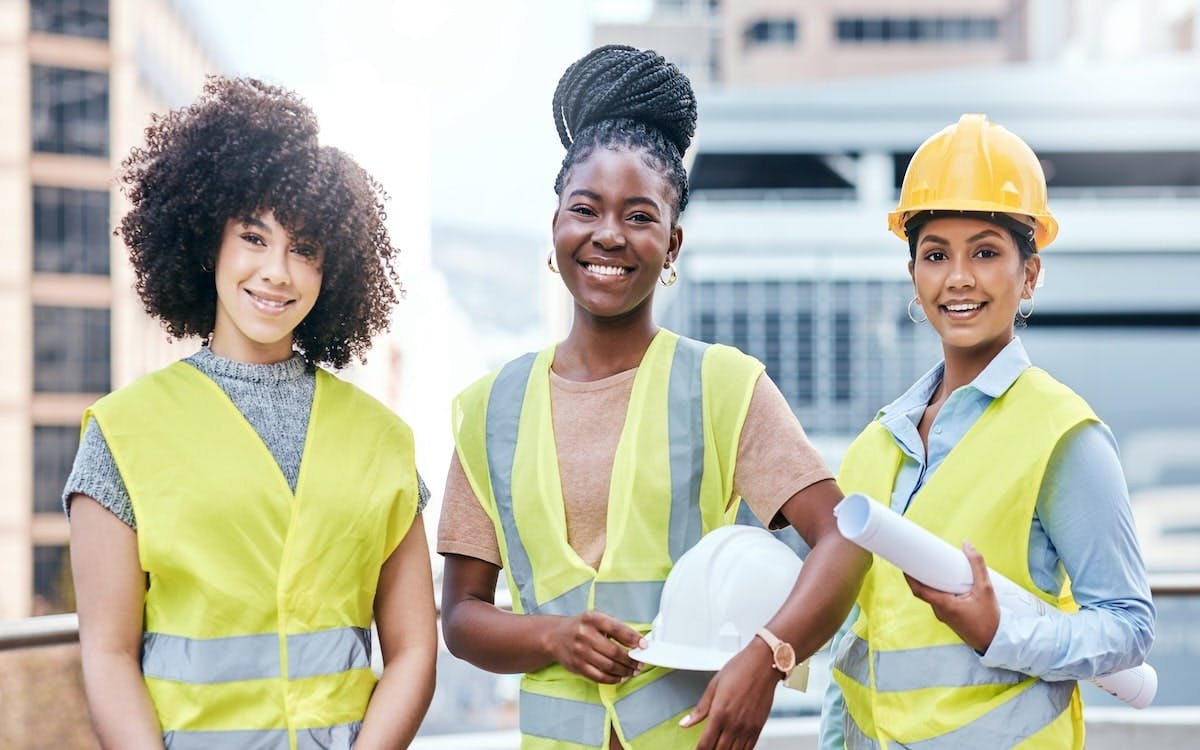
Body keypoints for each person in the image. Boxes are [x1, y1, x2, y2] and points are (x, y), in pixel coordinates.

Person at [436, 45, 870, 750]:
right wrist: (552, 636)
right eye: (587, 209)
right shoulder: (491, 407)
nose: (609, 233)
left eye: (640, 216)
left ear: (672, 245)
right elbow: (460, 618)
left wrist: (768, 657)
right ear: (555, 229)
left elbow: (845, 540)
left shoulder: (722, 385)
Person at [65, 76, 437, 750]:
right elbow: (107, 654)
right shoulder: (122, 433)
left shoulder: (385, 441)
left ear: (333, 271)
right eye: (254, 237)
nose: (277, 272)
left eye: (305, 249)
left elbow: (414, 650)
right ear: (209, 241)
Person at [819, 114, 1155, 749]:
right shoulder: (874, 446)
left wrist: (1002, 631)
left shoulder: (1064, 433)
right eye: (936, 254)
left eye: (986, 252)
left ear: (1029, 274)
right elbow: (852, 653)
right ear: (914, 277)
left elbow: (1128, 626)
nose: (959, 278)